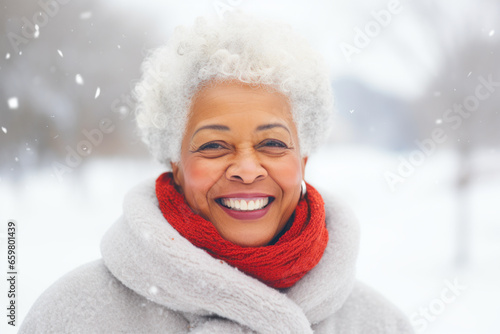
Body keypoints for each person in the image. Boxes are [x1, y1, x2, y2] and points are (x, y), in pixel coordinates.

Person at [20, 12, 414, 333]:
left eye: (273, 144)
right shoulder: (72, 316)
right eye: (213, 146)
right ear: (175, 164)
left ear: (303, 160)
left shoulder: (379, 323)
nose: (246, 169)